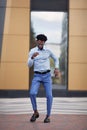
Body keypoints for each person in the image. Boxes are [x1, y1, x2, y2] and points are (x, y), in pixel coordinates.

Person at [27, 34, 59, 123]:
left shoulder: (48, 51)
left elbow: (56, 59)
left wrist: (56, 68)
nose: (41, 42)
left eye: (43, 41)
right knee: (32, 93)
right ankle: (35, 112)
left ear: (44, 42)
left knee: (49, 96)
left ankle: (48, 116)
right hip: (37, 76)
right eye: (39, 40)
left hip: (47, 76)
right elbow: (29, 65)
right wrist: (32, 57)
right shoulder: (32, 51)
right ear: (37, 41)